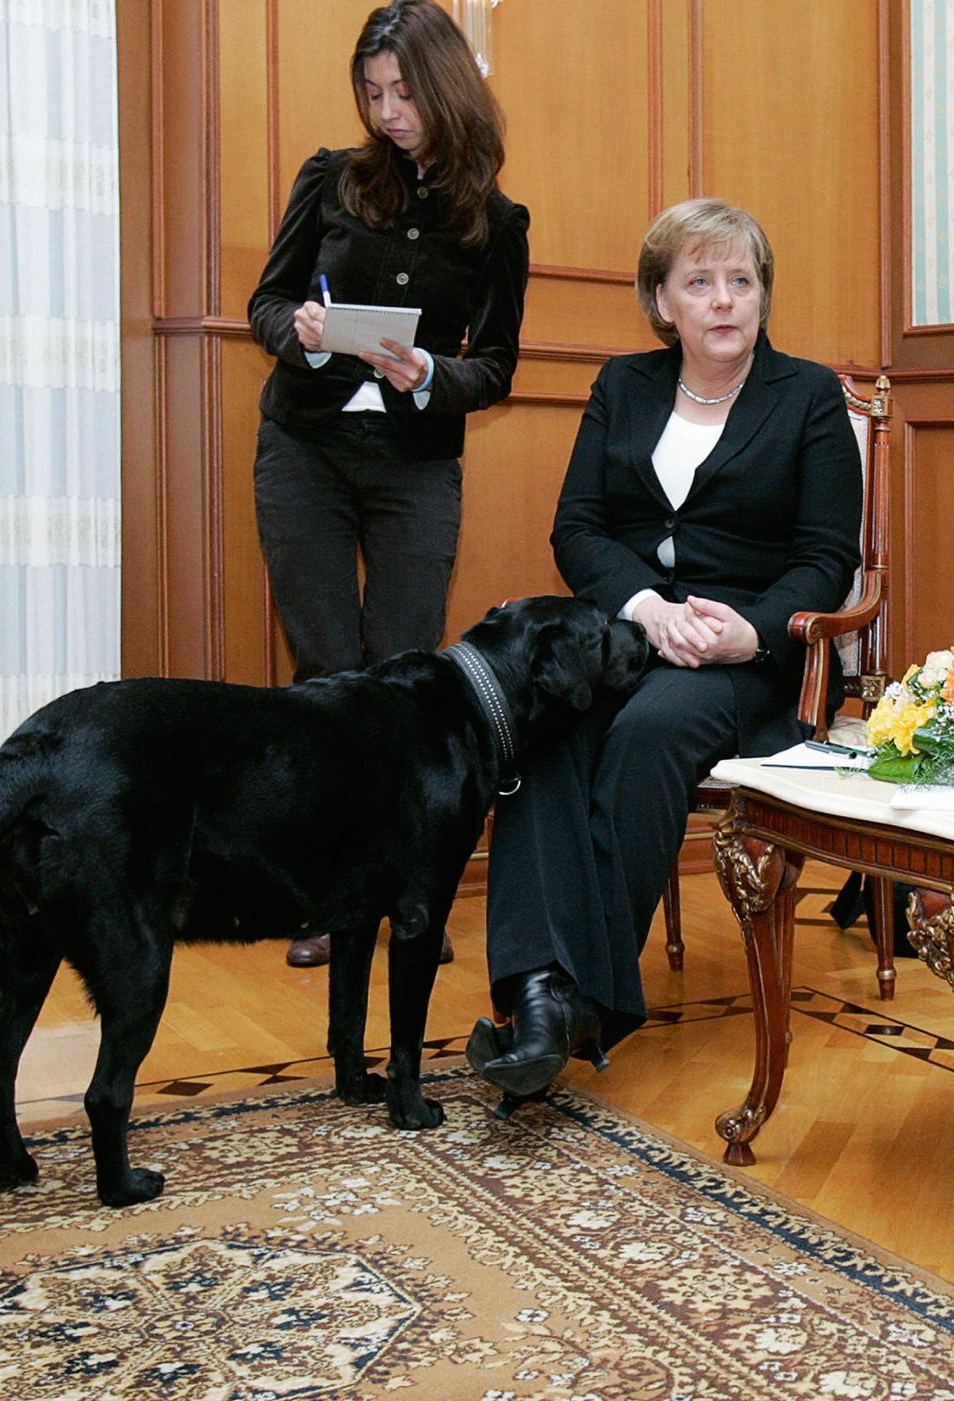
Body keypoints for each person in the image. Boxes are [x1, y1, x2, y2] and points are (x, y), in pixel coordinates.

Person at [466, 198, 862, 1104]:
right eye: (700, 282)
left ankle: (574, 1002)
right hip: (631, 635)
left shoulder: (804, 396)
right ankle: (539, 992)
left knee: (648, 731)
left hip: (758, 661)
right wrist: (646, 607)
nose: (724, 300)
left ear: (763, 295)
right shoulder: (624, 386)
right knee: (544, 723)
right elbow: (578, 529)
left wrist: (751, 629)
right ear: (662, 300)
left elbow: (827, 556)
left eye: (742, 281)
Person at [248, 0, 530, 967]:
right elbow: (268, 301)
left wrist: (431, 376)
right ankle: (329, 896)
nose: (389, 110)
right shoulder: (330, 178)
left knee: (407, 678)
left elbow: (494, 365)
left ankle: (408, 893)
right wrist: (303, 331)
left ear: (443, 86)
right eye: (373, 93)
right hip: (307, 453)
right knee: (327, 673)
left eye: (404, 91)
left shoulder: (494, 222)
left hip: (415, 465)